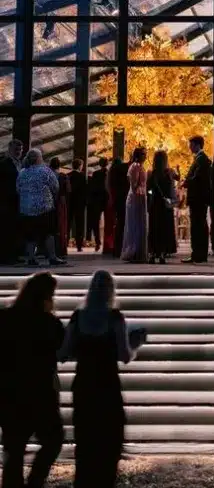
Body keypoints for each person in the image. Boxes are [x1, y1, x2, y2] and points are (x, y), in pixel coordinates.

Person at [59, 270, 147, 488]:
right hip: (107, 385)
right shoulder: (115, 317)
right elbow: (124, 356)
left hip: (84, 384)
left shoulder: (78, 317)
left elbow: (63, 354)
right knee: (109, 441)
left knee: (85, 440)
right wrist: (136, 343)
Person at [0, 272, 64, 488]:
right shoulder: (49, 323)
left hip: (10, 391)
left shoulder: (5, 318)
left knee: (14, 449)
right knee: (53, 439)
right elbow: (62, 351)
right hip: (41, 391)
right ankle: (35, 481)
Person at [17, 149, 66, 267]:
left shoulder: (22, 172)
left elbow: (18, 188)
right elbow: (55, 186)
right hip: (44, 207)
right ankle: (52, 257)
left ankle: (31, 258)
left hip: (26, 208)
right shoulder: (45, 171)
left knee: (30, 235)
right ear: (39, 158)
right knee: (49, 233)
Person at [182, 136, 212, 264]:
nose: (189, 147)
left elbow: (197, 178)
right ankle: (198, 254)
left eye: (191, 145)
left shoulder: (202, 160)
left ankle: (198, 254)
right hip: (200, 198)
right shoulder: (201, 159)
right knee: (199, 225)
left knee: (198, 226)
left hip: (198, 198)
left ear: (197, 145)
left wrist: (186, 182)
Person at [148, 150, 176, 264]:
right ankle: (163, 253)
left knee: (154, 228)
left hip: (155, 204)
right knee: (165, 229)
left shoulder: (151, 173)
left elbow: (148, 190)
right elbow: (171, 189)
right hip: (166, 204)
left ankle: (153, 253)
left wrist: (151, 196)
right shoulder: (169, 173)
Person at [121, 147, 148, 263]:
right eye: (143, 154)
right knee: (135, 224)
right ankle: (134, 250)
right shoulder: (135, 166)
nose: (145, 156)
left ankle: (138, 251)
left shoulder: (140, 166)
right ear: (138, 155)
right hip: (135, 198)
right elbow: (134, 185)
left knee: (139, 224)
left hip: (140, 197)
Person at [0, 138, 23, 265]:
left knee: (15, 229)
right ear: (9, 149)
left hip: (16, 201)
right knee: (6, 229)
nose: (18, 151)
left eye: (20, 149)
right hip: (6, 201)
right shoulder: (4, 164)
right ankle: (6, 256)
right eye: (16, 149)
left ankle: (14, 254)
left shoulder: (20, 163)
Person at [108, 157, 129, 258]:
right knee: (122, 224)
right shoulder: (120, 174)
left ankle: (116, 248)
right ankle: (120, 248)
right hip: (122, 201)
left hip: (116, 201)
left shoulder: (111, 174)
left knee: (118, 224)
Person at [50, 157, 70, 260]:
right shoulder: (63, 176)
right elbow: (68, 190)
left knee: (50, 226)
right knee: (61, 226)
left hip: (49, 201)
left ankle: (47, 249)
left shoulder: (48, 175)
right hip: (61, 202)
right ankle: (61, 249)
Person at [87, 157, 109, 253]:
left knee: (96, 222)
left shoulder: (96, 174)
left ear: (99, 164)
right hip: (107, 200)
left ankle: (98, 241)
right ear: (107, 164)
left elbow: (93, 188)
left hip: (97, 200)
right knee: (109, 221)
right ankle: (108, 243)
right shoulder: (109, 173)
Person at [67, 158, 87, 252]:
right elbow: (85, 191)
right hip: (79, 204)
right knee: (79, 224)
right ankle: (79, 245)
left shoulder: (68, 176)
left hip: (69, 203)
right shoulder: (82, 177)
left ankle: (65, 243)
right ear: (80, 166)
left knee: (68, 224)